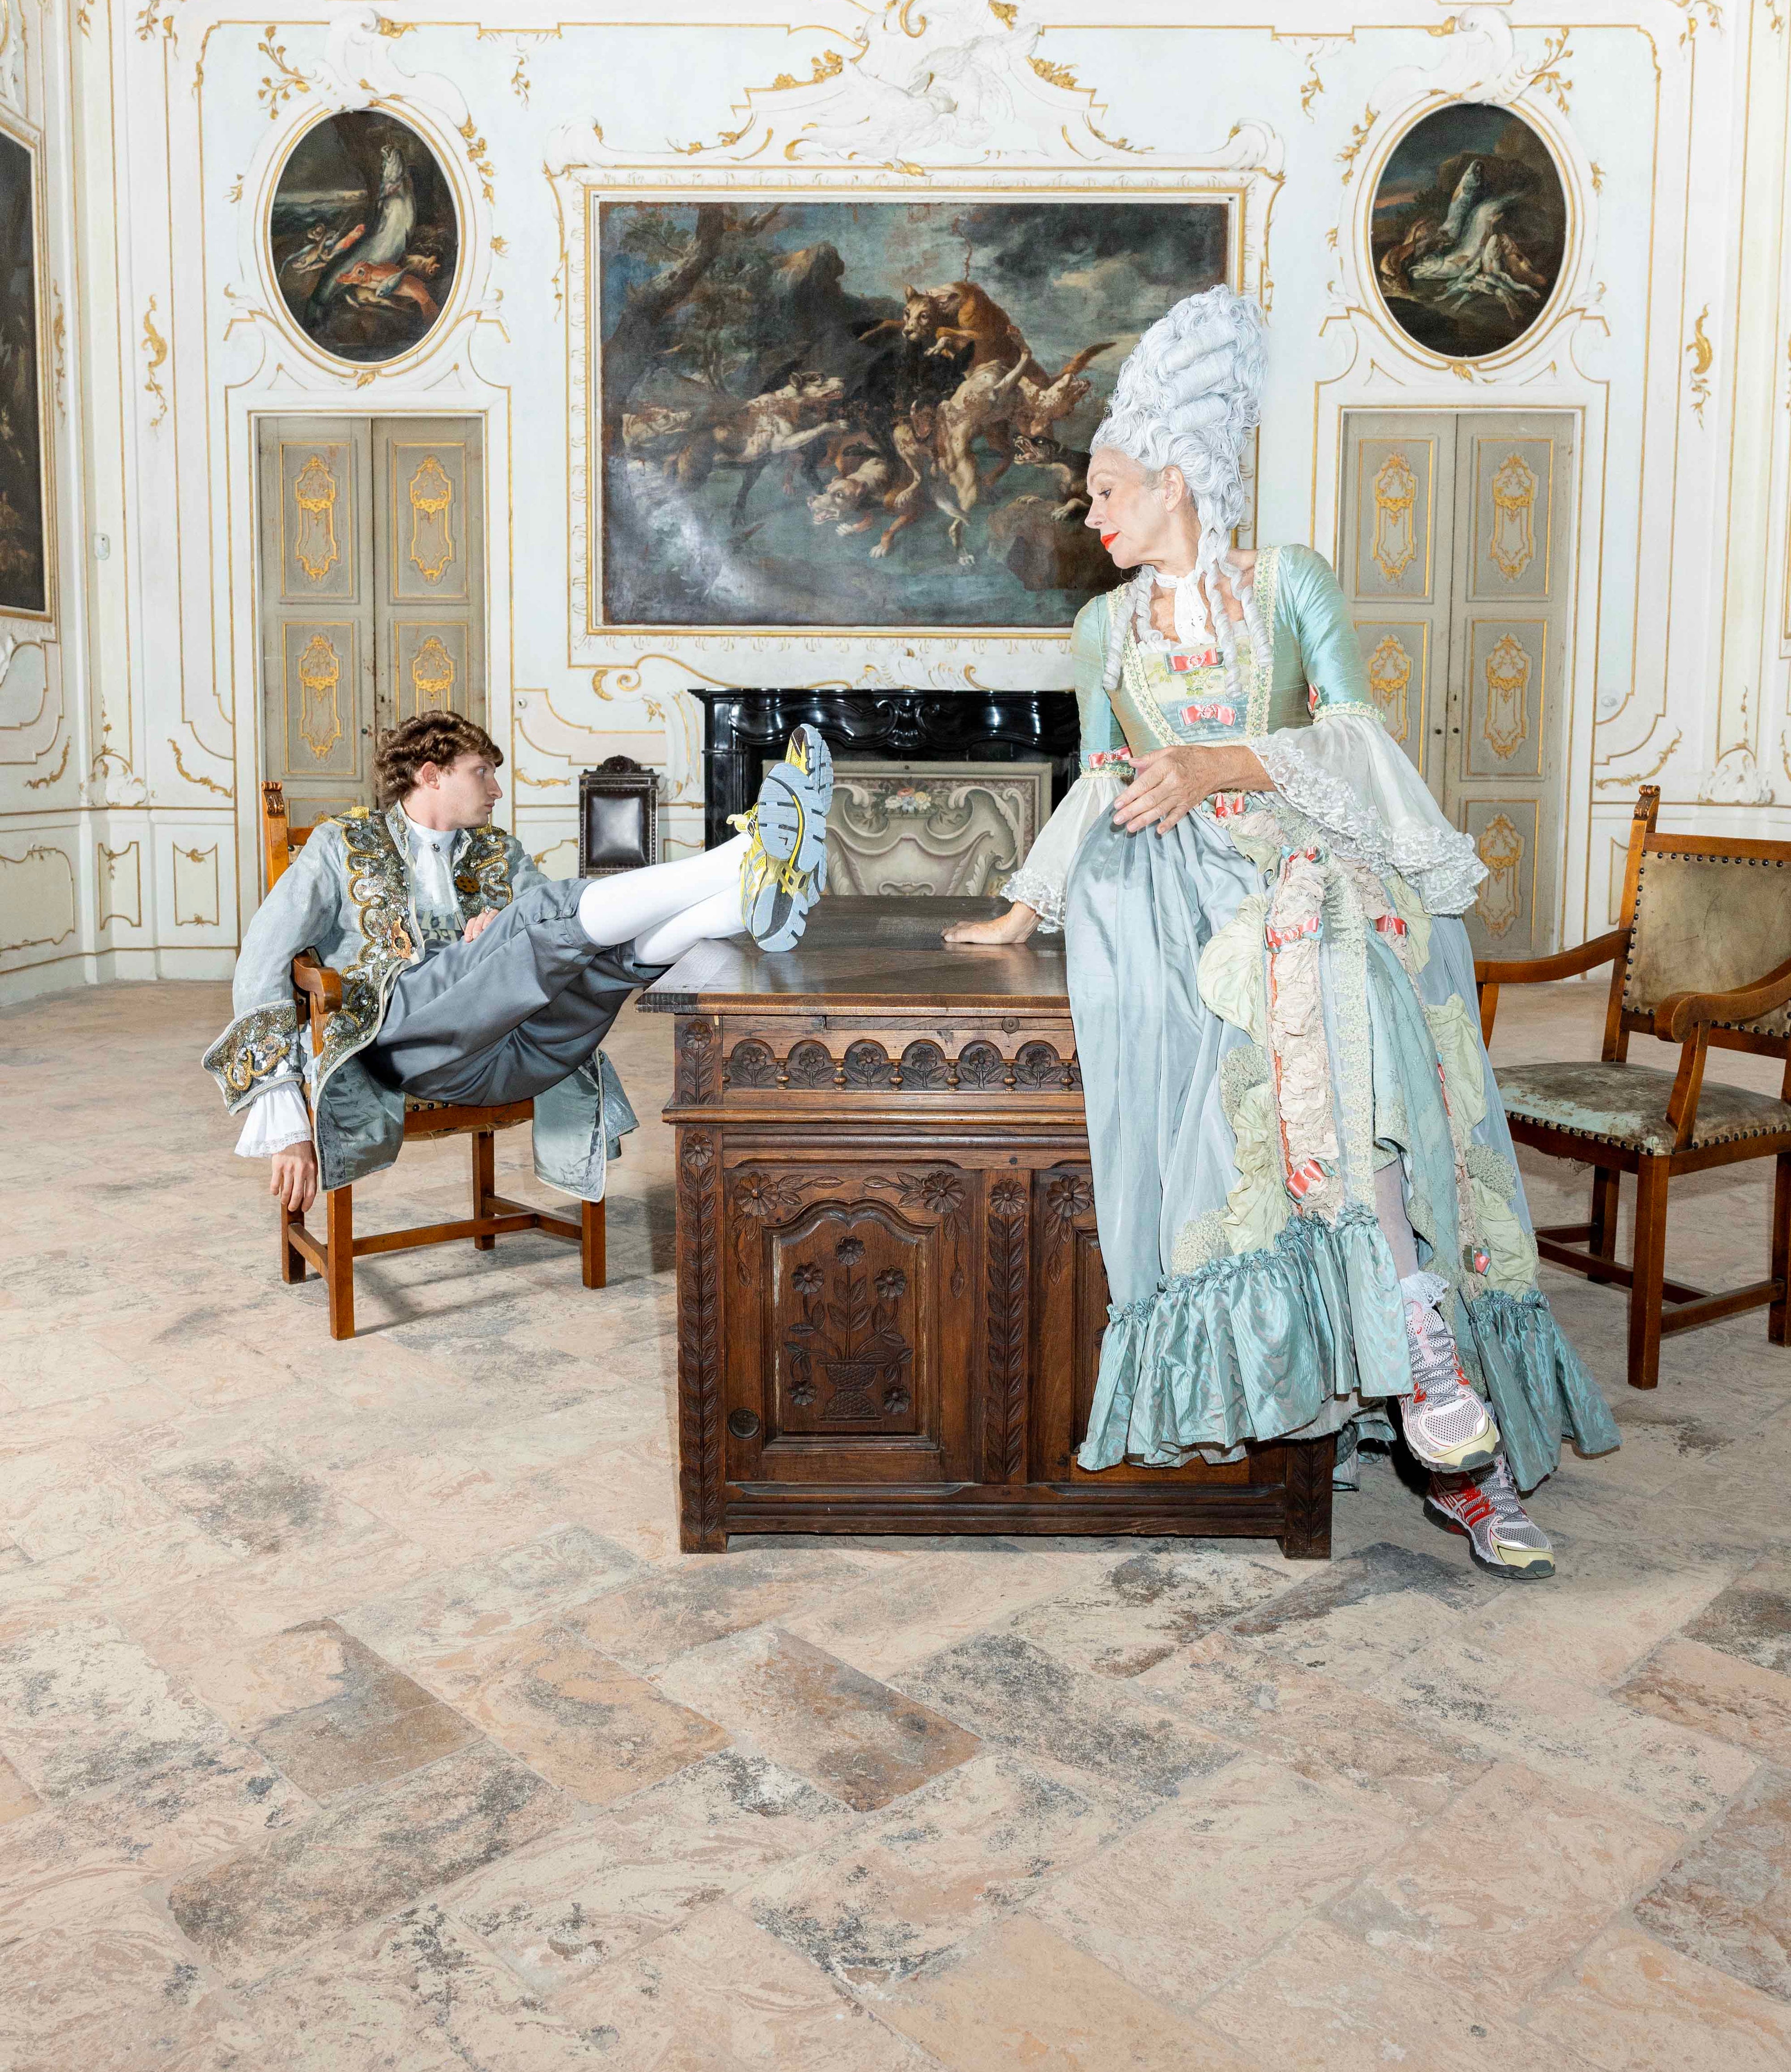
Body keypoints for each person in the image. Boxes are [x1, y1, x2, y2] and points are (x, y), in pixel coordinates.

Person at [945, 286, 1616, 1580]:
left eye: (1107, 489)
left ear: (1175, 481)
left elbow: (1358, 735)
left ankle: (1433, 1375)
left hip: (1303, 852)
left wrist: (1223, 762)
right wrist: (1025, 906)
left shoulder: (1291, 582)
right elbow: (1098, 776)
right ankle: (1415, 1376)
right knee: (1263, 1050)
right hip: (1166, 886)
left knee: (1355, 1002)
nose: (1089, 513)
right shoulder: (1100, 629)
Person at [207, 712, 831, 1215]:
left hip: (519, 1055)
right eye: (481, 772)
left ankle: (738, 903)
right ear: (430, 775)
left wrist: (503, 934)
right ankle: (743, 854)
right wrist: (283, 1115)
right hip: (410, 1045)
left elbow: (563, 936)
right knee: (539, 918)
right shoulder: (341, 845)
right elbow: (261, 962)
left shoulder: (497, 851)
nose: (497, 790)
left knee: (590, 957)